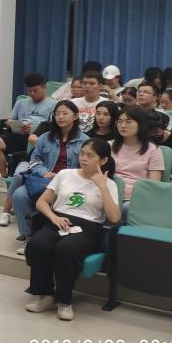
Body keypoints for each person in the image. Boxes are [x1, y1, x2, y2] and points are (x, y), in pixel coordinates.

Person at [24, 138, 121, 322]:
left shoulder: (109, 184)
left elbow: (114, 218)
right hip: (58, 220)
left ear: (103, 160)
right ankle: (45, 295)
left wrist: (102, 187)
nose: (84, 158)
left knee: (66, 249)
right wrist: (53, 217)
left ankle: (64, 301)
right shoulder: (65, 174)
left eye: (90, 155)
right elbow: (42, 202)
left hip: (88, 228)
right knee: (37, 244)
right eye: (82, 153)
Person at [5, 101, 88, 254]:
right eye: (57, 114)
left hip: (69, 183)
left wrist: (64, 177)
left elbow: (86, 167)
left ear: (75, 116)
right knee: (19, 195)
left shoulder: (85, 141)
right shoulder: (45, 137)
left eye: (65, 113)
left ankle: (50, 236)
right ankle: (29, 237)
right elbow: (34, 160)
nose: (60, 117)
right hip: (44, 179)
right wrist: (43, 172)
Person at [0, 73, 56, 192]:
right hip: (18, 133)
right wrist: (13, 124)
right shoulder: (21, 102)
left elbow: (52, 126)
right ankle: (4, 177)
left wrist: (33, 128)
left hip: (37, 136)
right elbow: (9, 121)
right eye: (29, 91)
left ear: (44, 87)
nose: (32, 93)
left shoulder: (53, 104)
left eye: (35, 90)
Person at [111, 106, 164, 211]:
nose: (122, 125)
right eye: (120, 121)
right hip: (110, 193)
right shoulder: (109, 146)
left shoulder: (153, 150)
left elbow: (153, 185)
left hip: (136, 198)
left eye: (128, 122)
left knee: (126, 208)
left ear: (141, 124)